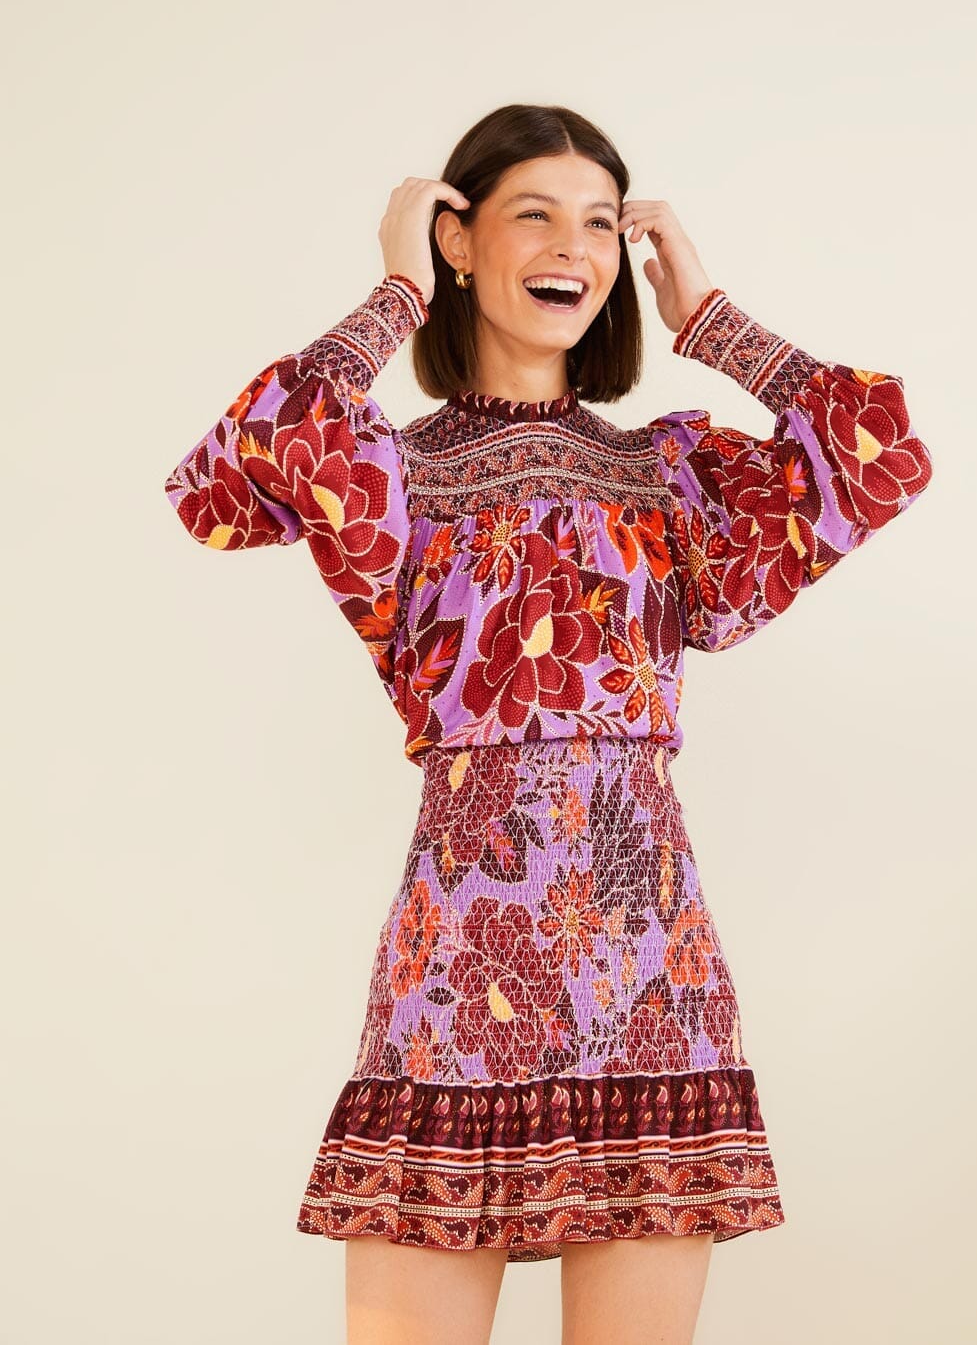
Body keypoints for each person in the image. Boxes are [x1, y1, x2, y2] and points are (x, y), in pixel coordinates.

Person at [163, 103, 934, 1345]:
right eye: (534, 214)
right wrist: (394, 295)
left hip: (647, 976)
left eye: (598, 223)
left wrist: (711, 320)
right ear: (461, 241)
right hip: (457, 977)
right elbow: (223, 479)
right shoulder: (394, 476)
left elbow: (879, 455)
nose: (573, 246)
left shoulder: (666, 477)